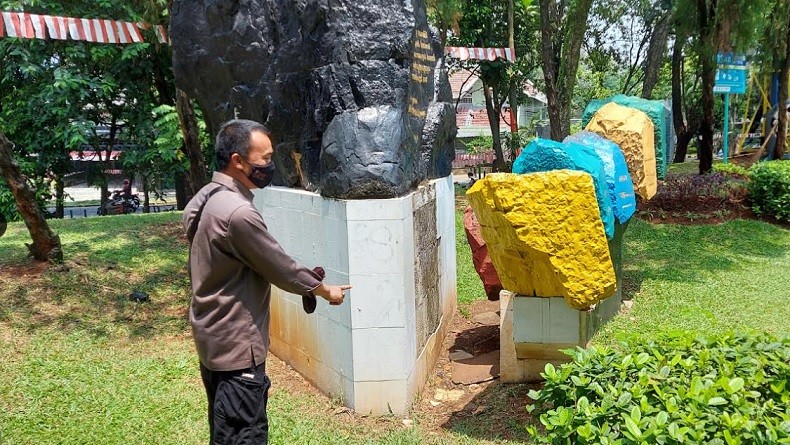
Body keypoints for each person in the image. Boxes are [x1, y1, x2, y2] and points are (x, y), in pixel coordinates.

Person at [183, 119, 351, 444]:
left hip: (211, 340)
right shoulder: (238, 213)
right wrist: (324, 289)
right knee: (245, 436)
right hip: (237, 350)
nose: (271, 166)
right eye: (265, 158)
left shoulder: (203, 199)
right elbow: (280, 267)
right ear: (238, 161)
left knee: (225, 433)